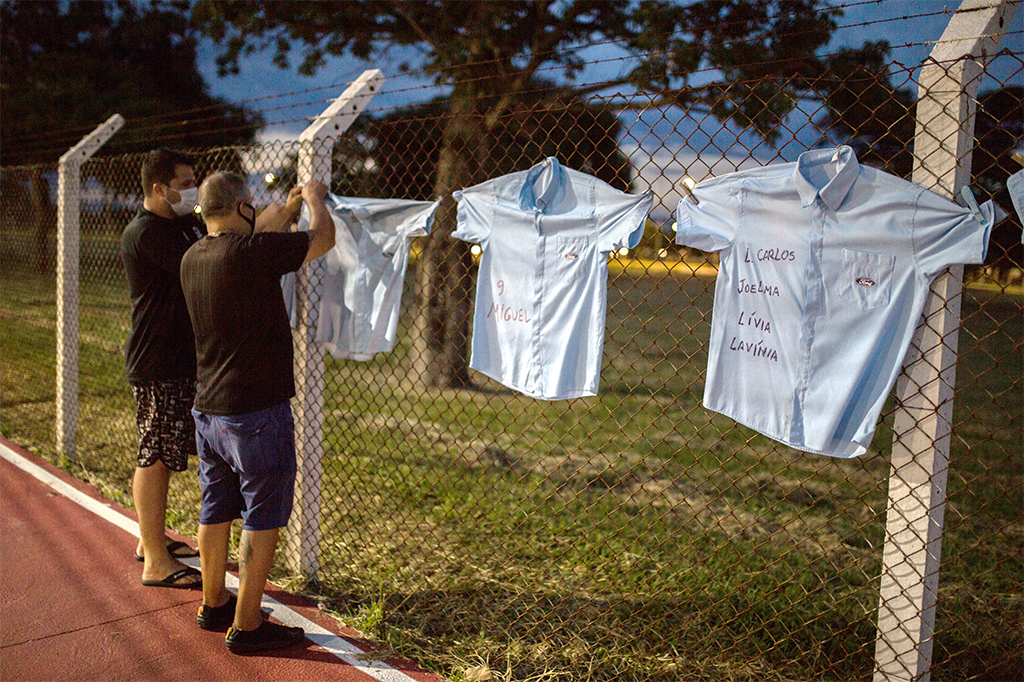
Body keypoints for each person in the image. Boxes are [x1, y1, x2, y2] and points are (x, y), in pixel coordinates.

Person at [180, 171, 335, 653]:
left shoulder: (193, 256)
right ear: (244, 207)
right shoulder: (253, 254)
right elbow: (323, 238)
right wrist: (312, 200)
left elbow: (258, 234)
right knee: (262, 514)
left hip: (209, 407)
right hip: (255, 411)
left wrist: (284, 211)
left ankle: (214, 603)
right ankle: (248, 625)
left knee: (216, 504)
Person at [120, 148, 205, 589]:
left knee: (167, 454)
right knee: (153, 456)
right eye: (185, 182)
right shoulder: (147, 233)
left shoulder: (183, 223)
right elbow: (202, 265)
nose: (192, 189)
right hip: (157, 362)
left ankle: (148, 539)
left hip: (179, 361)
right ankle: (155, 559)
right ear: (159, 187)